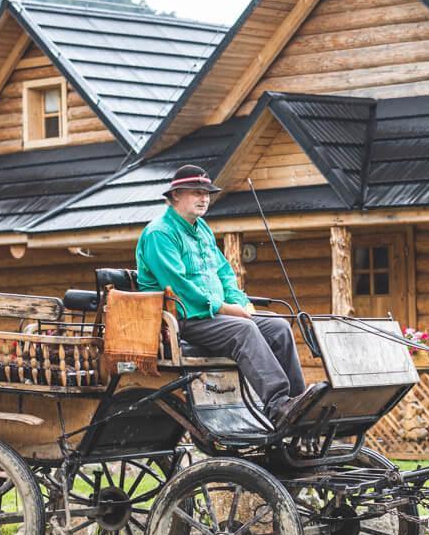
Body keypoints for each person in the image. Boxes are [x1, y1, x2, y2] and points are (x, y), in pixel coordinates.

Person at [135, 164, 326, 428]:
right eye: (196, 192)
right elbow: (177, 287)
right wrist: (226, 309)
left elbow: (224, 273)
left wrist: (241, 302)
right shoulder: (160, 233)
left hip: (215, 315)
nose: (204, 198)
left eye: (207, 193)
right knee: (243, 329)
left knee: (279, 326)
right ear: (176, 195)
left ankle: (298, 405)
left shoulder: (202, 229)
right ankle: (278, 404)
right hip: (183, 318)